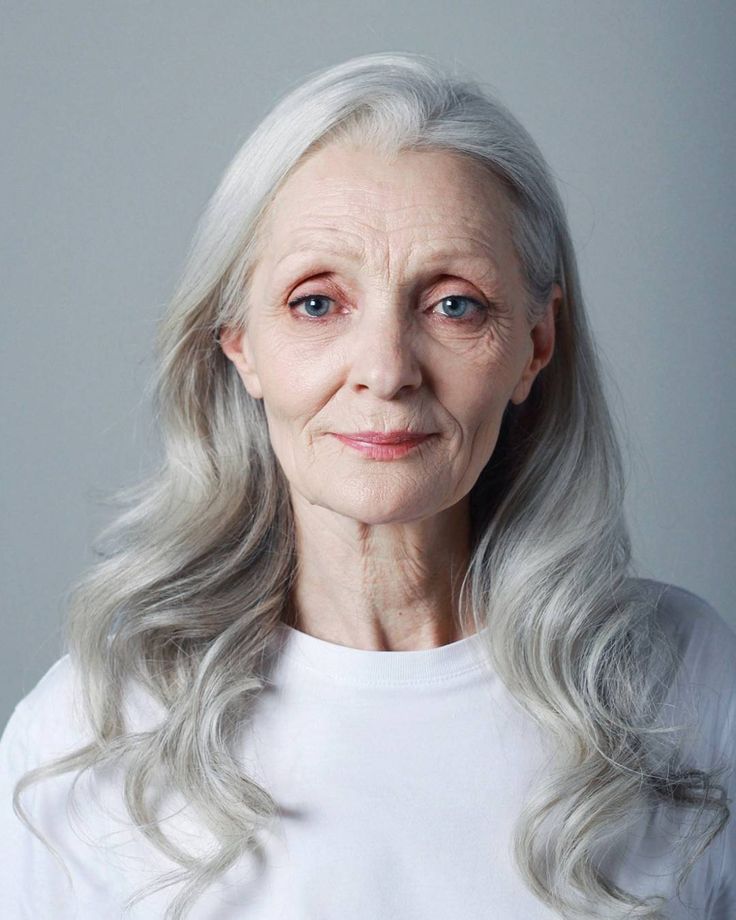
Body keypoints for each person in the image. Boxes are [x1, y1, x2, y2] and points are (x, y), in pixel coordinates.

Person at [0, 51, 733, 920]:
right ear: (239, 342)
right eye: (317, 303)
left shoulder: (685, 681)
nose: (386, 372)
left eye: (454, 304)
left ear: (535, 345)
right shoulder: (93, 731)